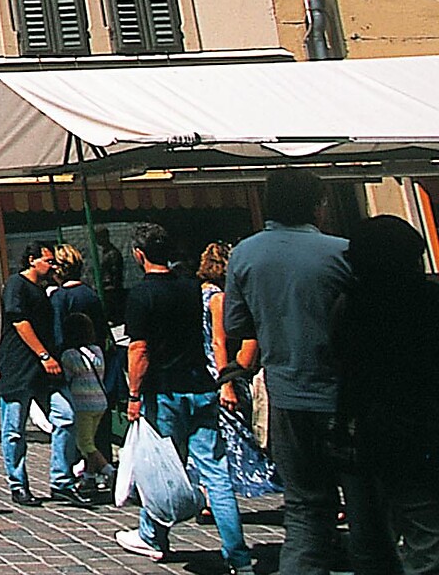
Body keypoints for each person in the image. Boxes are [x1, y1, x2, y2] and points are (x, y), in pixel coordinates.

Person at [226, 169, 392, 575]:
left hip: (287, 396)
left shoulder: (245, 254)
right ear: (317, 205)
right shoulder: (342, 252)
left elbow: (236, 326)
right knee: (366, 512)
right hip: (347, 396)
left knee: (304, 511)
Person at [116, 222, 250, 570]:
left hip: (165, 391)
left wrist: (133, 394)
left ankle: (153, 536)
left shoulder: (141, 295)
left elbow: (139, 351)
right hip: (200, 385)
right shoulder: (193, 288)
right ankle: (238, 554)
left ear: (138, 254)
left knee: (161, 467)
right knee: (216, 473)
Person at [332, 215, 439, 574]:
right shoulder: (430, 298)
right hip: (416, 423)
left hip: (387, 429)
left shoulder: (354, 307)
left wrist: (342, 427)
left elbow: (347, 372)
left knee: (407, 529)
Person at [198, 241, 275, 501]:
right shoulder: (218, 299)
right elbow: (218, 341)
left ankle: (210, 492)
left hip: (204, 370)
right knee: (234, 433)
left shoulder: (198, 294)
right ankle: (227, 488)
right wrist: (226, 382)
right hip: (220, 369)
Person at [0, 241, 61, 506]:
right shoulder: (16, 284)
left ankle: (63, 478)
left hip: (42, 369)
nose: (52, 265)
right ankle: (18, 483)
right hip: (19, 365)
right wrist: (44, 354)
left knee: (64, 417)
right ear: (32, 259)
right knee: (14, 428)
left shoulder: (44, 289)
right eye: (48, 260)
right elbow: (19, 320)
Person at [48, 243, 111, 488]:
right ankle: (93, 472)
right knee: (96, 432)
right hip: (95, 369)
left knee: (78, 432)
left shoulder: (60, 298)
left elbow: (57, 335)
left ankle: (92, 470)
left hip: (75, 372)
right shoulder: (90, 294)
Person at [58, 312, 111, 503]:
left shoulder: (69, 355)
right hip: (100, 401)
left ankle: (110, 472)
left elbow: (67, 378)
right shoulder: (97, 350)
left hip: (82, 404)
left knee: (84, 444)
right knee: (91, 440)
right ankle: (89, 477)